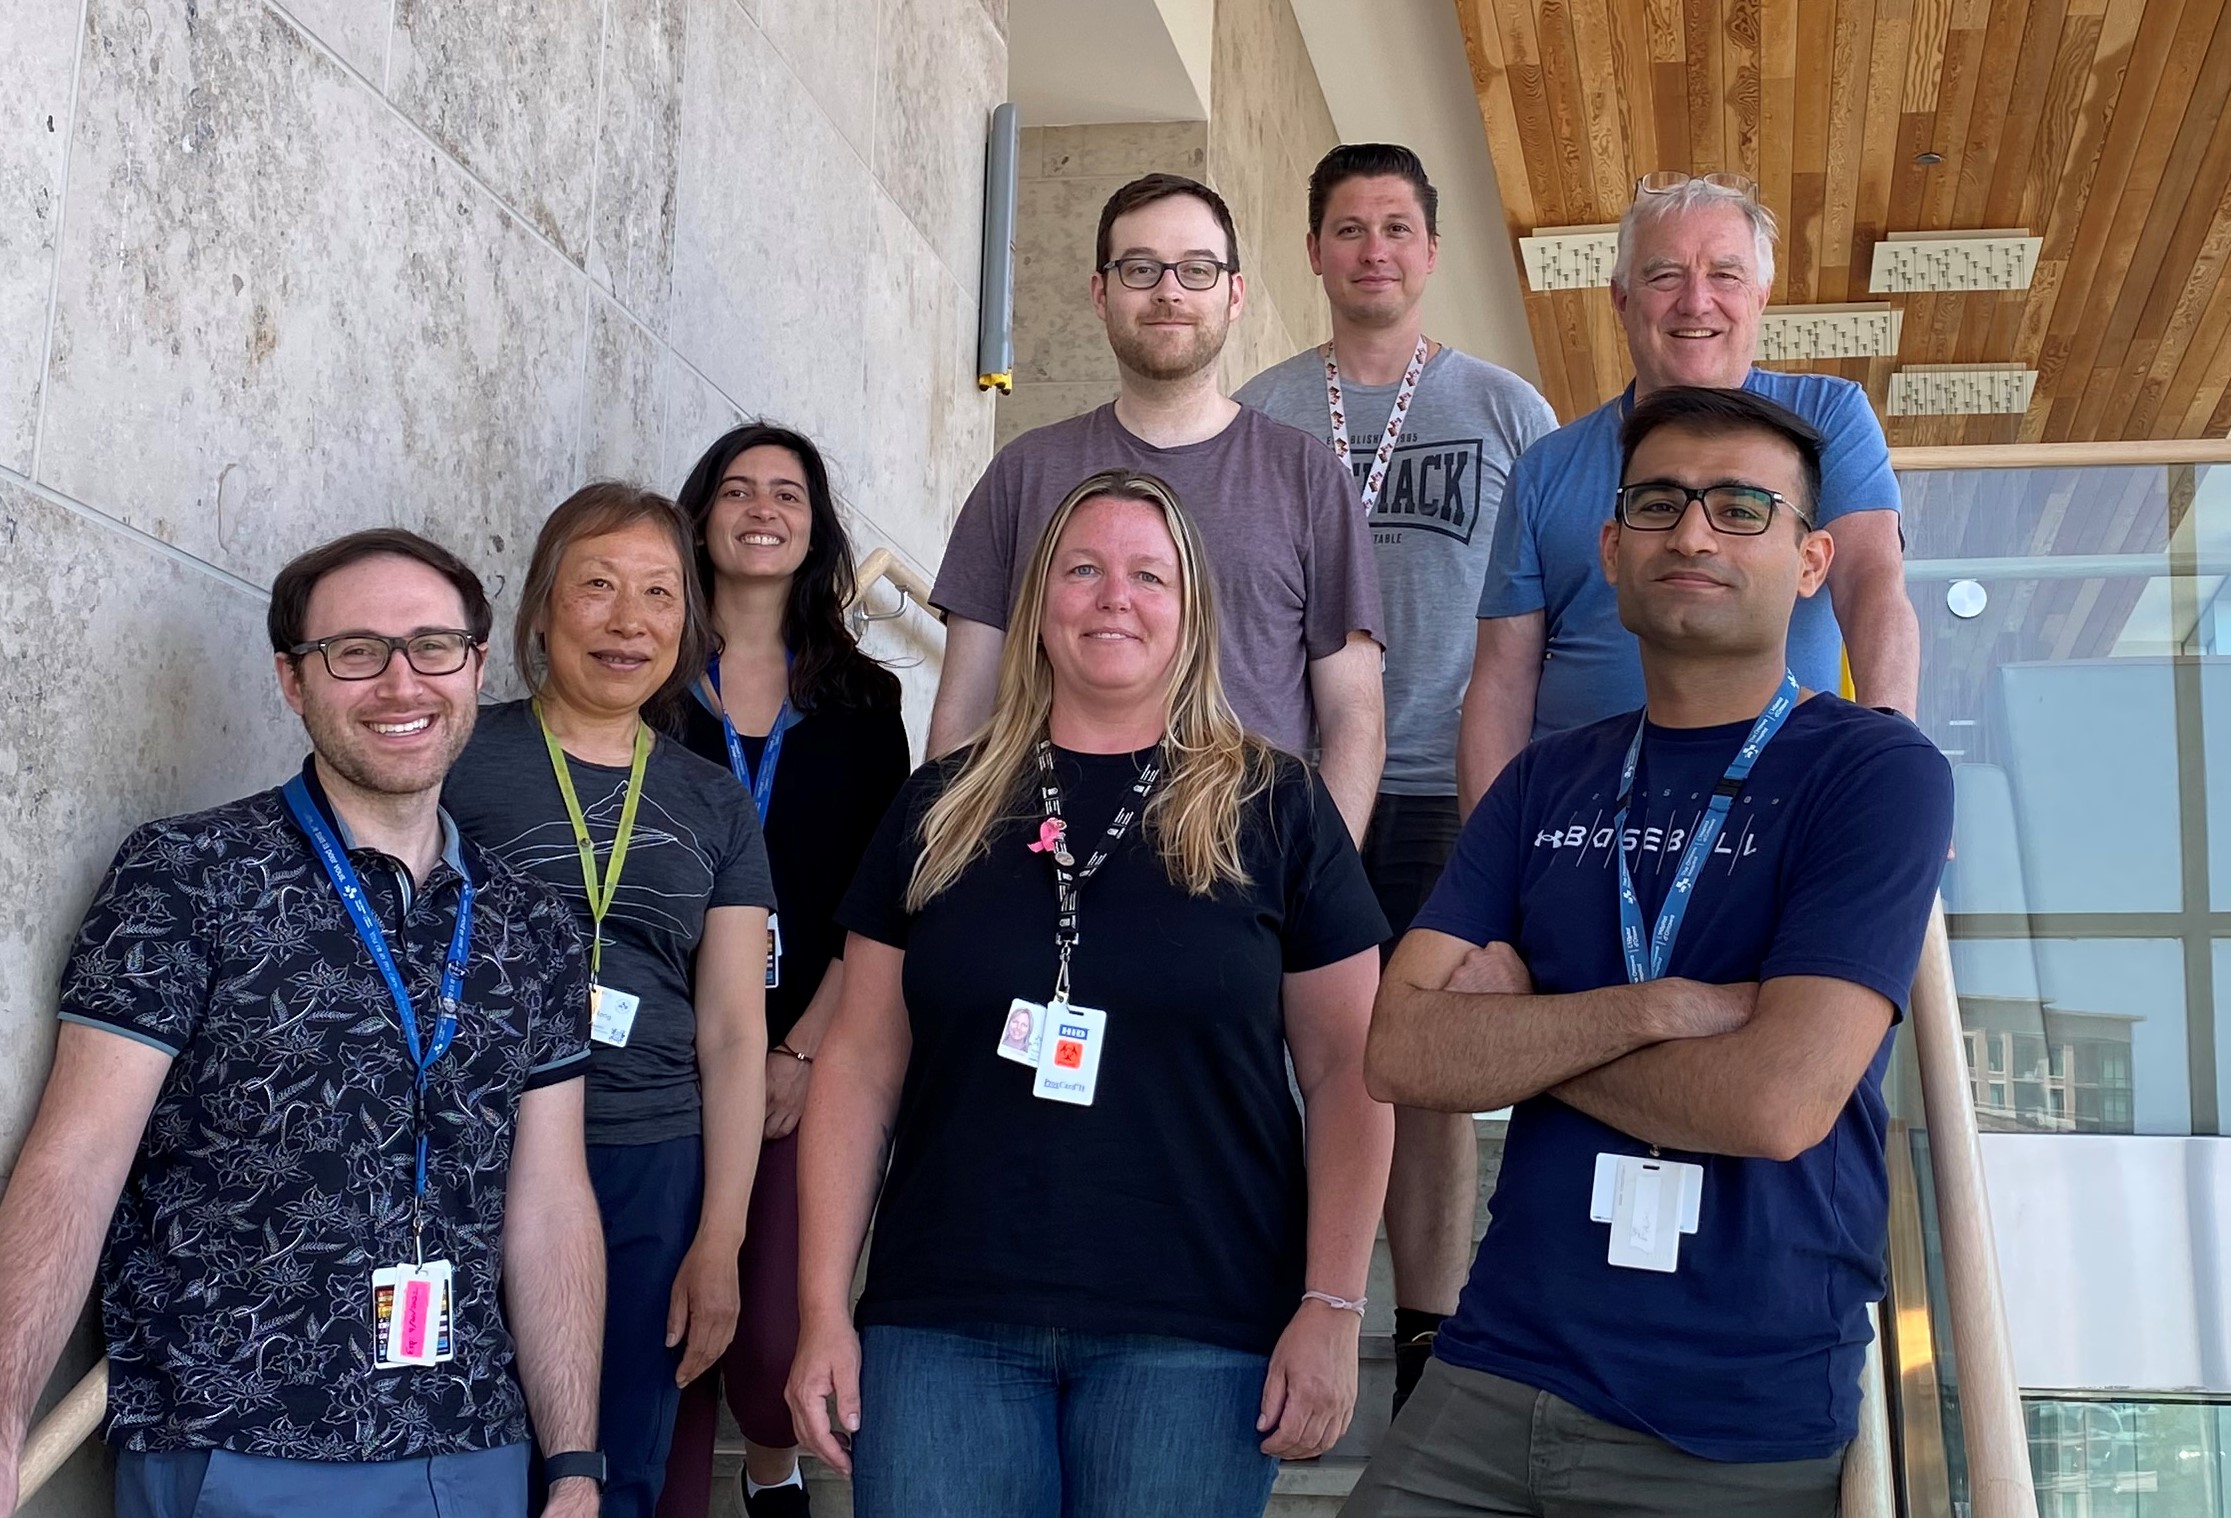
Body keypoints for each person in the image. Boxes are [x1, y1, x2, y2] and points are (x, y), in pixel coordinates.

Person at [1345, 388, 1953, 1518]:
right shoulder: (1542, 778)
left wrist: (1525, 1035)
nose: (1691, 532)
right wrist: (1652, 1009)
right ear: (1610, 551)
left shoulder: (1873, 774)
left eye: (1738, 507)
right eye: (1660, 503)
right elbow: (1397, 1048)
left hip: (1723, 1423)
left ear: (1811, 559)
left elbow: (1775, 1102)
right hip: (1491, 1368)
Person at [789, 470, 1395, 1518]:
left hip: (1195, 1332)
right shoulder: (938, 807)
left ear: (1189, 611)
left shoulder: (1278, 807)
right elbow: (856, 1062)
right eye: (1082, 569)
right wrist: (817, 1309)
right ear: (1038, 607)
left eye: (1146, 575)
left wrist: (1332, 1305)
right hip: (942, 1325)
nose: (1114, 596)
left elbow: (1350, 1071)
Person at [0, 530, 604, 1517]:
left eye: (433, 646)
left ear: (477, 665)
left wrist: (572, 1463)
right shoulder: (187, 874)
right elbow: (77, 1155)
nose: (401, 682)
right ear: (293, 680)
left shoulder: (531, 923)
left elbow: (550, 1204)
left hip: (470, 1451)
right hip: (231, 1444)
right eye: (355, 652)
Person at [1236, 141, 1557, 1414]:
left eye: (1395, 229)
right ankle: (1268, 1299)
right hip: (1278, 786)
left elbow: (1548, 611)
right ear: (1311, 252)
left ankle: (1425, 1337)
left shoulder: (1503, 411)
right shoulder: (1257, 410)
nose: (1372, 249)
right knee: (1262, 1046)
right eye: (1347, 228)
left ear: (1429, 253)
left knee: (1422, 1068)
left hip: (1444, 782)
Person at [444, 485, 775, 1518]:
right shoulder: (458, 755)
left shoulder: (710, 798)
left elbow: (729, 1029)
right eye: (596, 586)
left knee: (616, 1458)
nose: (629, 620)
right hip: (471, 1146)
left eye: (659, 595)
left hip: (646, 1159)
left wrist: (719, 1237)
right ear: (541, 610)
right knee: (463, 1442)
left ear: (687, 627)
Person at [926, 171, 1386, 842]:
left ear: (1233, 295)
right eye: (1140, 268)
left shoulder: (1308, 477)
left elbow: (1353, 716)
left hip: (1243, 865)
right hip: (1041, 858)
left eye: (1196, 270)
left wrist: (1318, 889)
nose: (1168, 291)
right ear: (1099, 292)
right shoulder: (1024, 473)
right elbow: (963, 707)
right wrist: (952, 864)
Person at [1457, 172, 1921, 815]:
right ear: (1621, 298)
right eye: (1664, 275)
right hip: (1578, 827)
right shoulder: (1545, 468)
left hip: (1777, 809)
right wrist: (1490, 853)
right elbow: (1503, 679)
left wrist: (1890, 762)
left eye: (1725, 275)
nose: (1696, 302)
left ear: (1760, 294)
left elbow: (1873, 584)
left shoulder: (1828, 418)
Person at [656, 425, 912, 1518]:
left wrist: (803, 1049)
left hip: (807, 1044)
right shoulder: (652, 684)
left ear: (816, 528)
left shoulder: (863, 704)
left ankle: (772, 1467)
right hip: (661, 1053)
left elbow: (882, 900)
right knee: (663, 1329)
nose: (762, 509)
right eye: (737, 489)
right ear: (700, 515)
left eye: (789, 494)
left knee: (767, 1347)